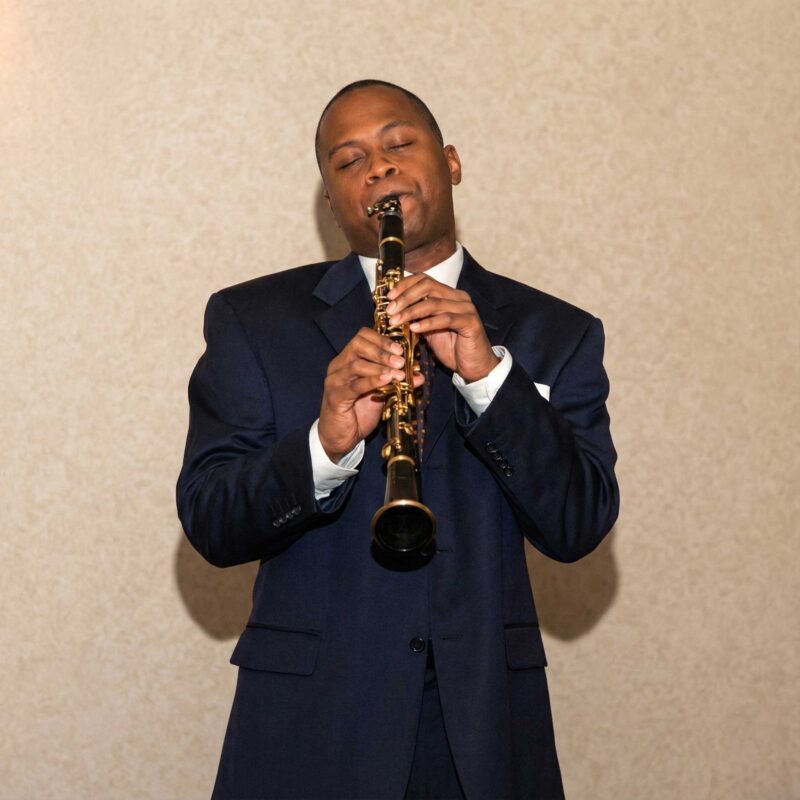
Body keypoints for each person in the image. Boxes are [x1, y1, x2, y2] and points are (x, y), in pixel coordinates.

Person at [177, 79, 619, 800]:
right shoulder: (252, 320)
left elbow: (578, 524)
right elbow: (211, 522)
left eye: (398, 143)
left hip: (484, 736)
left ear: (450, 162)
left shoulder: (556, 332)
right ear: (332, 202)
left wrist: (490, 380)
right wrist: (324, 443)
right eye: (348, 161)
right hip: (309, 731)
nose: (376, 167)